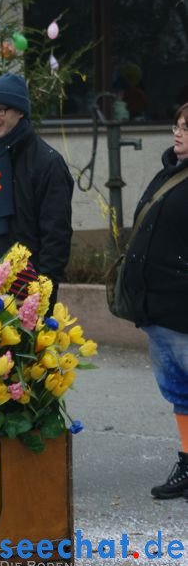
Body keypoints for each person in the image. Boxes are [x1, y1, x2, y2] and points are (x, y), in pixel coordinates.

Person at [0, 73, 74, 310]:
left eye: (0, 110)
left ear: (20, 111)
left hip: (26, 289)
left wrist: (41, 294)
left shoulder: (47, 163)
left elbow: (56, 236)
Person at [120, 103, 188, 500]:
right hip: (159, 306)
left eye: (186, 128)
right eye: (177, 125)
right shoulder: (170, 174)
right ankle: (187, 460)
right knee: (179, 391)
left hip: (181, 305)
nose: (177, 133)